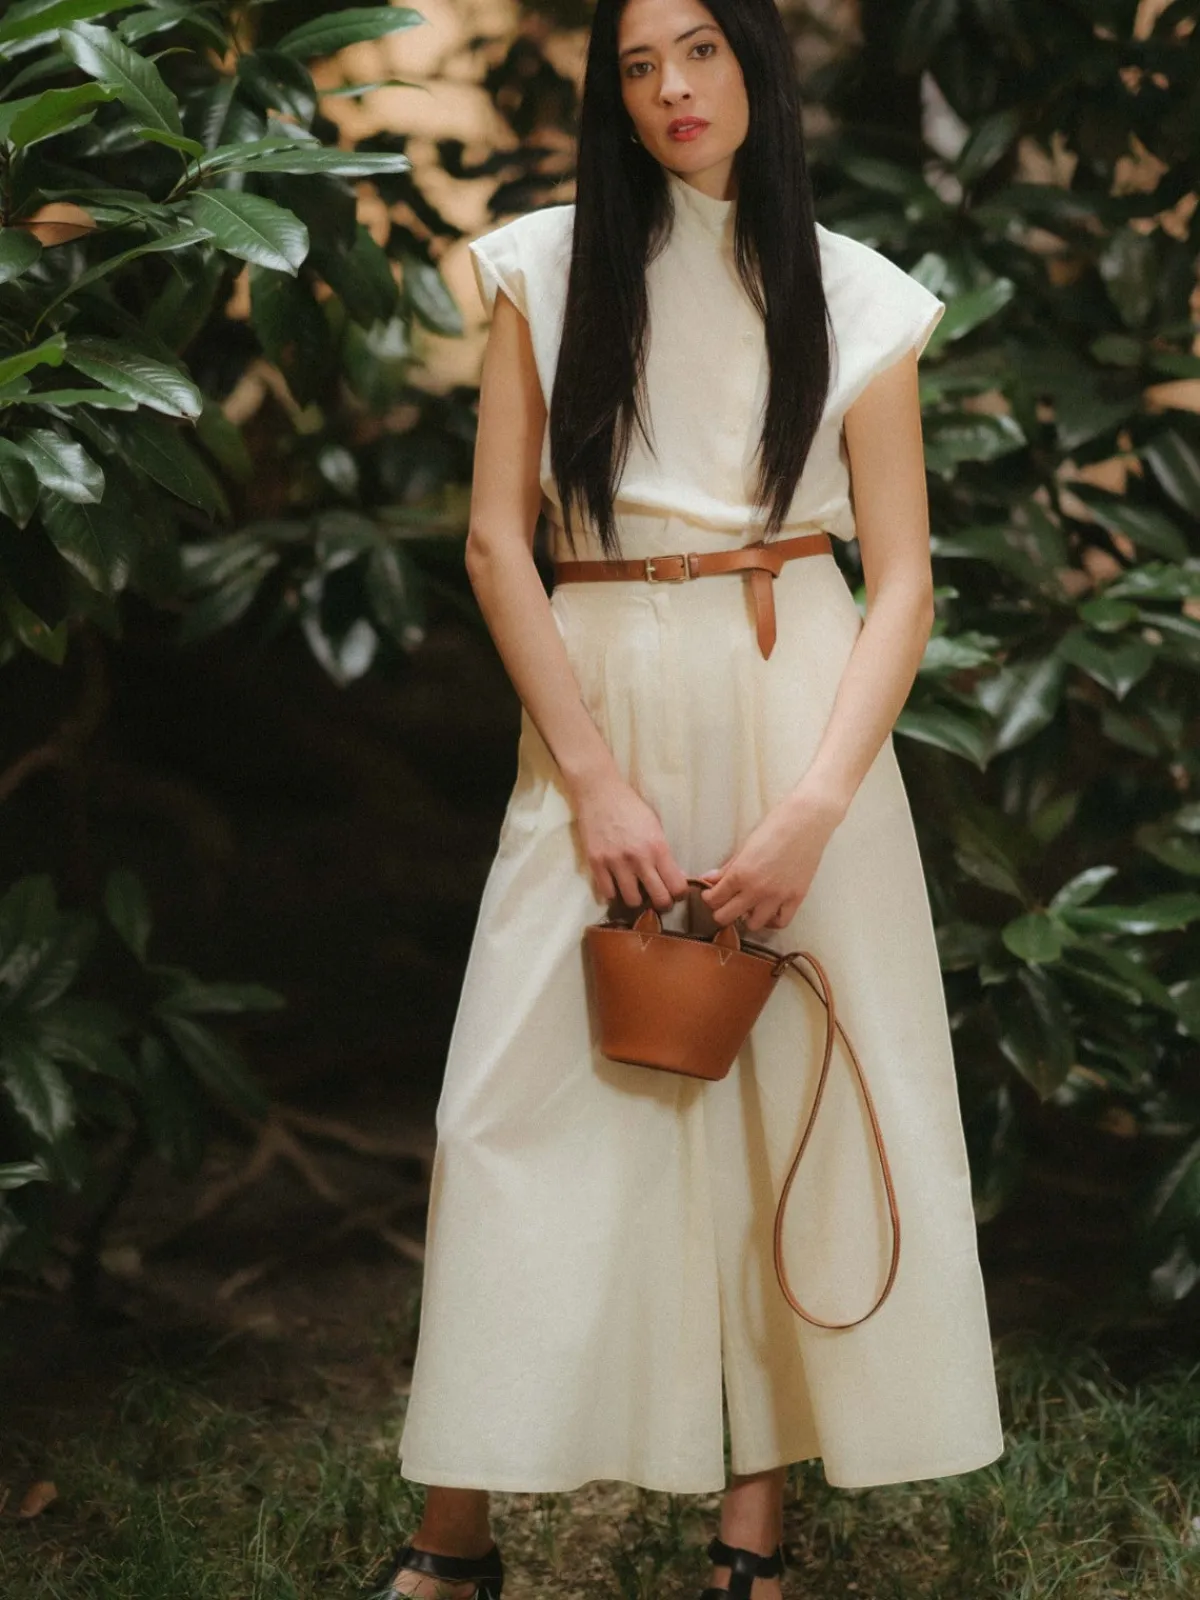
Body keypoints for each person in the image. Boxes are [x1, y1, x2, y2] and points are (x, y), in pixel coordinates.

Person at [370, 1, 1004, 1595]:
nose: (671, 88)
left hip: (800, 703)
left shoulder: (854, 296)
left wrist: (813, 812)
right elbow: (496, 544)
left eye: (700, 49)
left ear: (757, 62)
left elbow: (906, 580)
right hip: (600, 703)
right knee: (506, 1109)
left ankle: (752, 1534)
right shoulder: (543, 269)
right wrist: (592, 781)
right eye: (639, 64)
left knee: (786, 1111)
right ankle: (455, 1536)